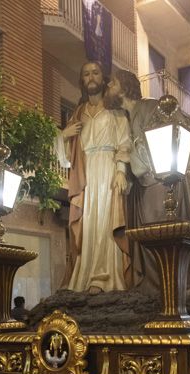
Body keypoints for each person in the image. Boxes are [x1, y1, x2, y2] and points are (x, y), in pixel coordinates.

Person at [107, 68, 190, 293]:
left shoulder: (150, 107)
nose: (108, 87)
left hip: (163, 184)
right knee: (152, 238)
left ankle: (176, 289)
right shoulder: (130, 115)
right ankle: (158, 289)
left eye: (112, 83)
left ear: (124, 87)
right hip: (148, 186)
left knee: (164, 235)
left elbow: (160, 144)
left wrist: (129, 156)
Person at [56, 61, 131, 293]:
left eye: (95, 73)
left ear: (103, 78)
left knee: (106, 220)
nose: (91, 77)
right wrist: (63, 135)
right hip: (87, 174)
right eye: (86, 73)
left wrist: (120, 170)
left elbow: (124, 142)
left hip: (108, 169)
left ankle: (106, 276)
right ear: (82, 80)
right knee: (89, 224)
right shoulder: (78, 114)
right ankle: (87, 275)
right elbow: (66, 158)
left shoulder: (116, 111)